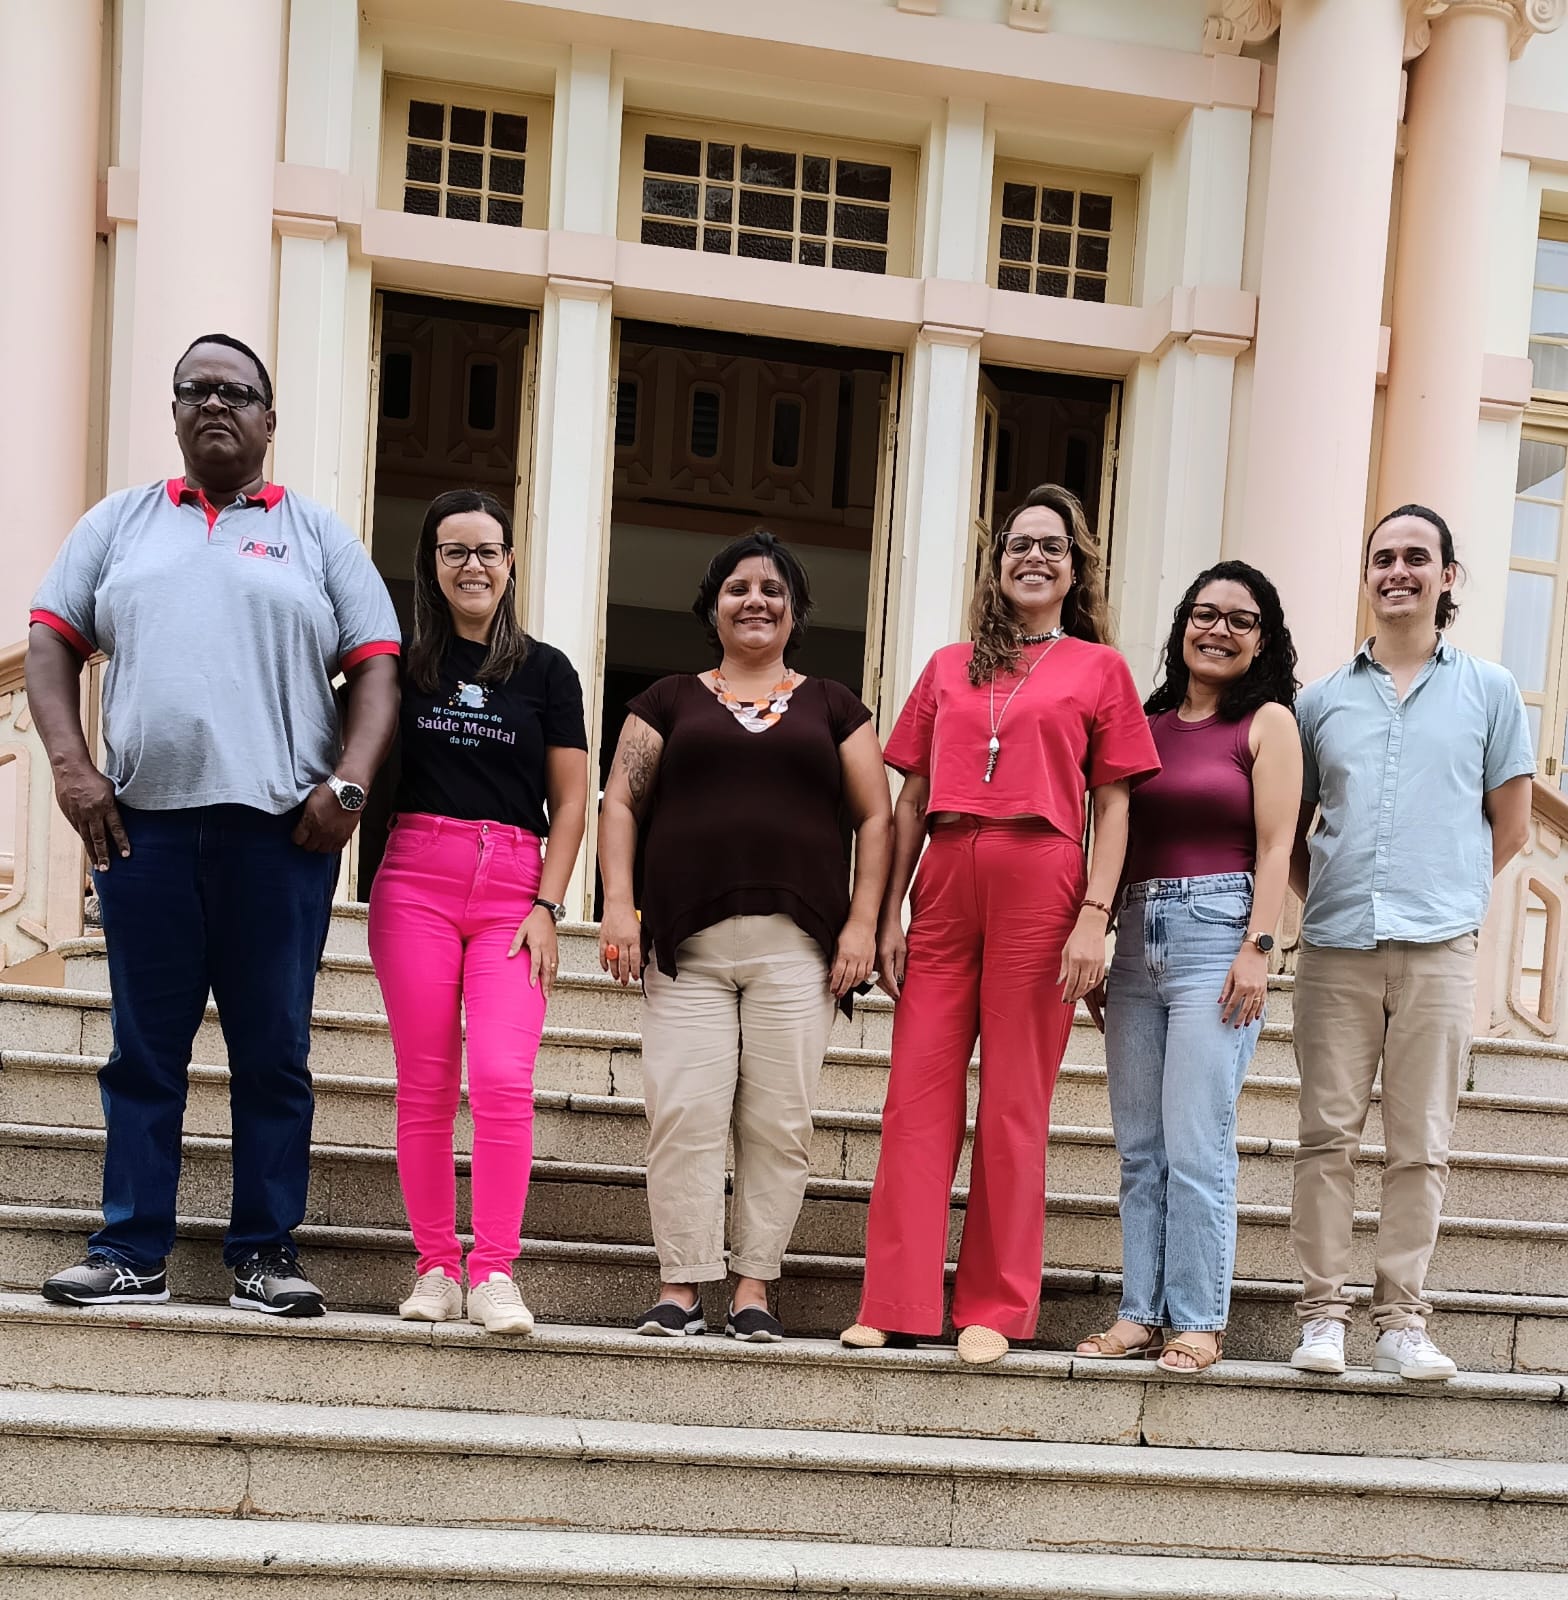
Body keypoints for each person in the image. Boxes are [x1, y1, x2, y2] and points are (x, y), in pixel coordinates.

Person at [29, 333, 400, 1316]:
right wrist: (72, 767)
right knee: (143, 1049)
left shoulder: (315, 536)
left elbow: (376, 665)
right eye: (196, 389)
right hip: (142, 834)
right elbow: (50, 640)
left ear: (270, 422)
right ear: (176, 410)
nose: (215, 405)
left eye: (237, 392)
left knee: (271, 1050)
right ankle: (130, 1249)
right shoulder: (121, 524)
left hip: (280, 840)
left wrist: (351, 784)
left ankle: (264, 1253)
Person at [841, 483, 1159, 1365]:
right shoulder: (949, 665)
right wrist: (886, 914)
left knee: (1016, 1103)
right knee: (916, 1098)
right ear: (998, 562)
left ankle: (994, 1306)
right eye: (1020, 543)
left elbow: (1115, 806)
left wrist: (1095, 918)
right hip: (944, 875)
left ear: (1075, 566)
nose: (1034, 557)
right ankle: (896, 1298)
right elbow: (906, 800)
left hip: (1044, 877)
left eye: (1053, 546)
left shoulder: (1102, 670)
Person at [599, 530, 892, 1342]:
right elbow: (618, 801)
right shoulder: (667, 699)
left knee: (779, 1122)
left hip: (797, 947)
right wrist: (617, 904)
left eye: (771, 589)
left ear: (795, 611)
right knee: (683, 1112)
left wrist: (863, 924)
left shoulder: (834, 704)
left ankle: (755, 1286)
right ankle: (681, 1286)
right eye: (737, 589)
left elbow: (877, 815)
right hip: (687, 945)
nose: (754, 601)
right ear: (713, 607)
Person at [1288, 505, 1533, 1381]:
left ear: (1447, 577)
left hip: (1438, 948)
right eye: (1383, 557)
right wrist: (1331, 903)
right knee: (1326, 1137)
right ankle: (1323, 1314)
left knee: (1420, 1141)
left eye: (1416, 558)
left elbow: (1510, 828)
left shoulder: (1491, 690)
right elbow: (1291, 828)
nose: (1399, 570)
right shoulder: (1319, 700)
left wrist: (1450, 900)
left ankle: (1401, 1320)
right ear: (1368, 576)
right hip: (1337, 948)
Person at [367, 489, 588, 1335]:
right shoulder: (403, 664)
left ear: (510, 562)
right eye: (455, 551)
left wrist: (548, 905)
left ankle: (493, 1268)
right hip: (415, 877)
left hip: (512, 889)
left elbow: (571, 802)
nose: (473, 566)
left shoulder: (546, 670)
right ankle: (435, 1267)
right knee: (425, 1086)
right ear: (432, 564)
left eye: (488, 551)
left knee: (502, 1078)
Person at [1075, 561, 1301, 1373]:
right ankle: (1140, 1312)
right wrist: (1095, 938)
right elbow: (1111, 826)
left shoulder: (1268, 723)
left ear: (1262, 639)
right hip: (1134, 934)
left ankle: (1197, 1320)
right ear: (1182, 626)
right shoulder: (1147, 719)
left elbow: (1278, 844)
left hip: (1217, 934)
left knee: (1197, 1143)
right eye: (1205, 614)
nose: (1219, 630)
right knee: (1141, 1144)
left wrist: (1259, 947)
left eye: (1241, 620)